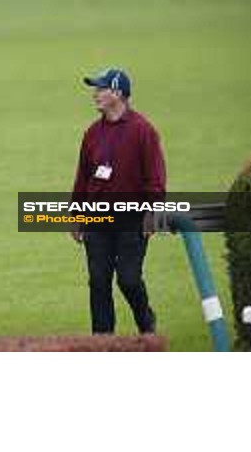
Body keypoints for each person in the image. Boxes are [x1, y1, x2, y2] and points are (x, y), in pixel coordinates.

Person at [71, 68, 166, 335]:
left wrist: (152, 213)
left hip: (132, 220)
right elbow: (83, 178)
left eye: (100, 89)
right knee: (99, 282)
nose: (95, 95)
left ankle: (145, 320)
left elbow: (156, 178)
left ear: (118, 93)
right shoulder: (91, 133)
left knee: (128, 280)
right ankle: (102, 341)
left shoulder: (143, 131)